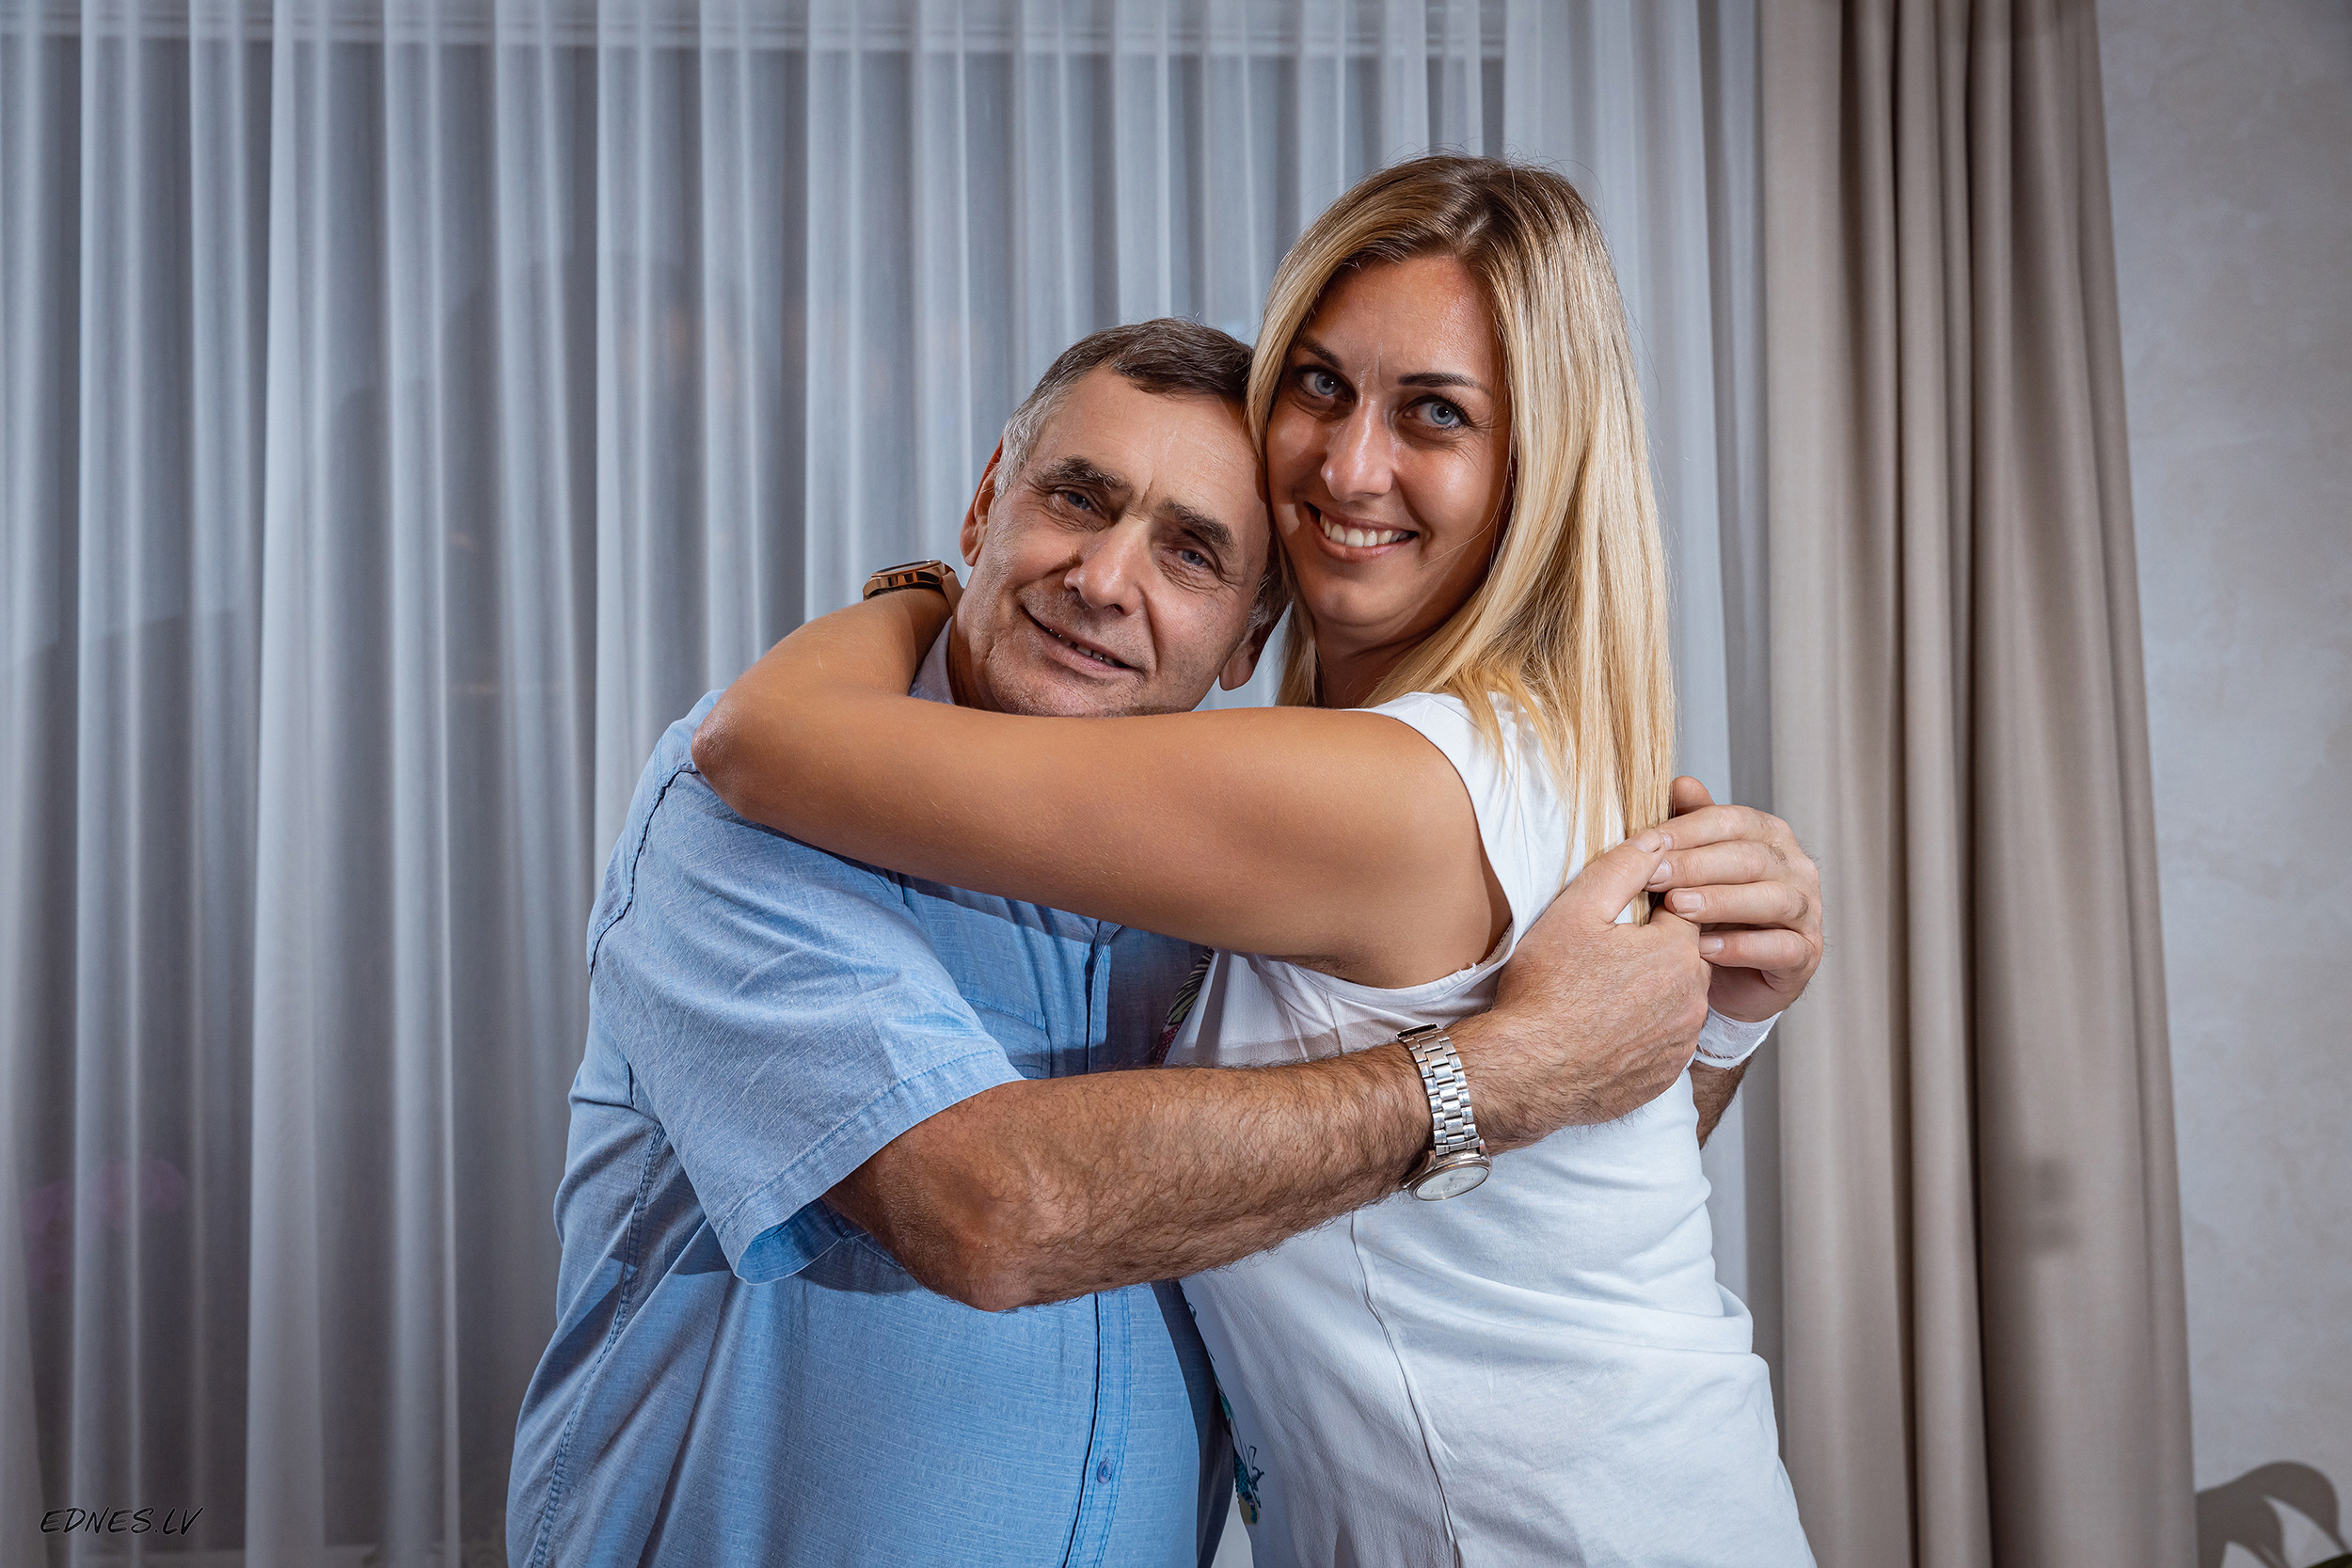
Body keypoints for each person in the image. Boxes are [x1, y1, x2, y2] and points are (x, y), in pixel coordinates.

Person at [693, 156, 1824, 1565]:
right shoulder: (1498, 751)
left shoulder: (1387, 790)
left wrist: (924, 585)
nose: (1351, 467)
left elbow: (760, 743)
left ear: (1537, 465)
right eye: (1321, 386)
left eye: (1436, 415)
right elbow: (1560, 1183)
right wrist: (1708, 1034)